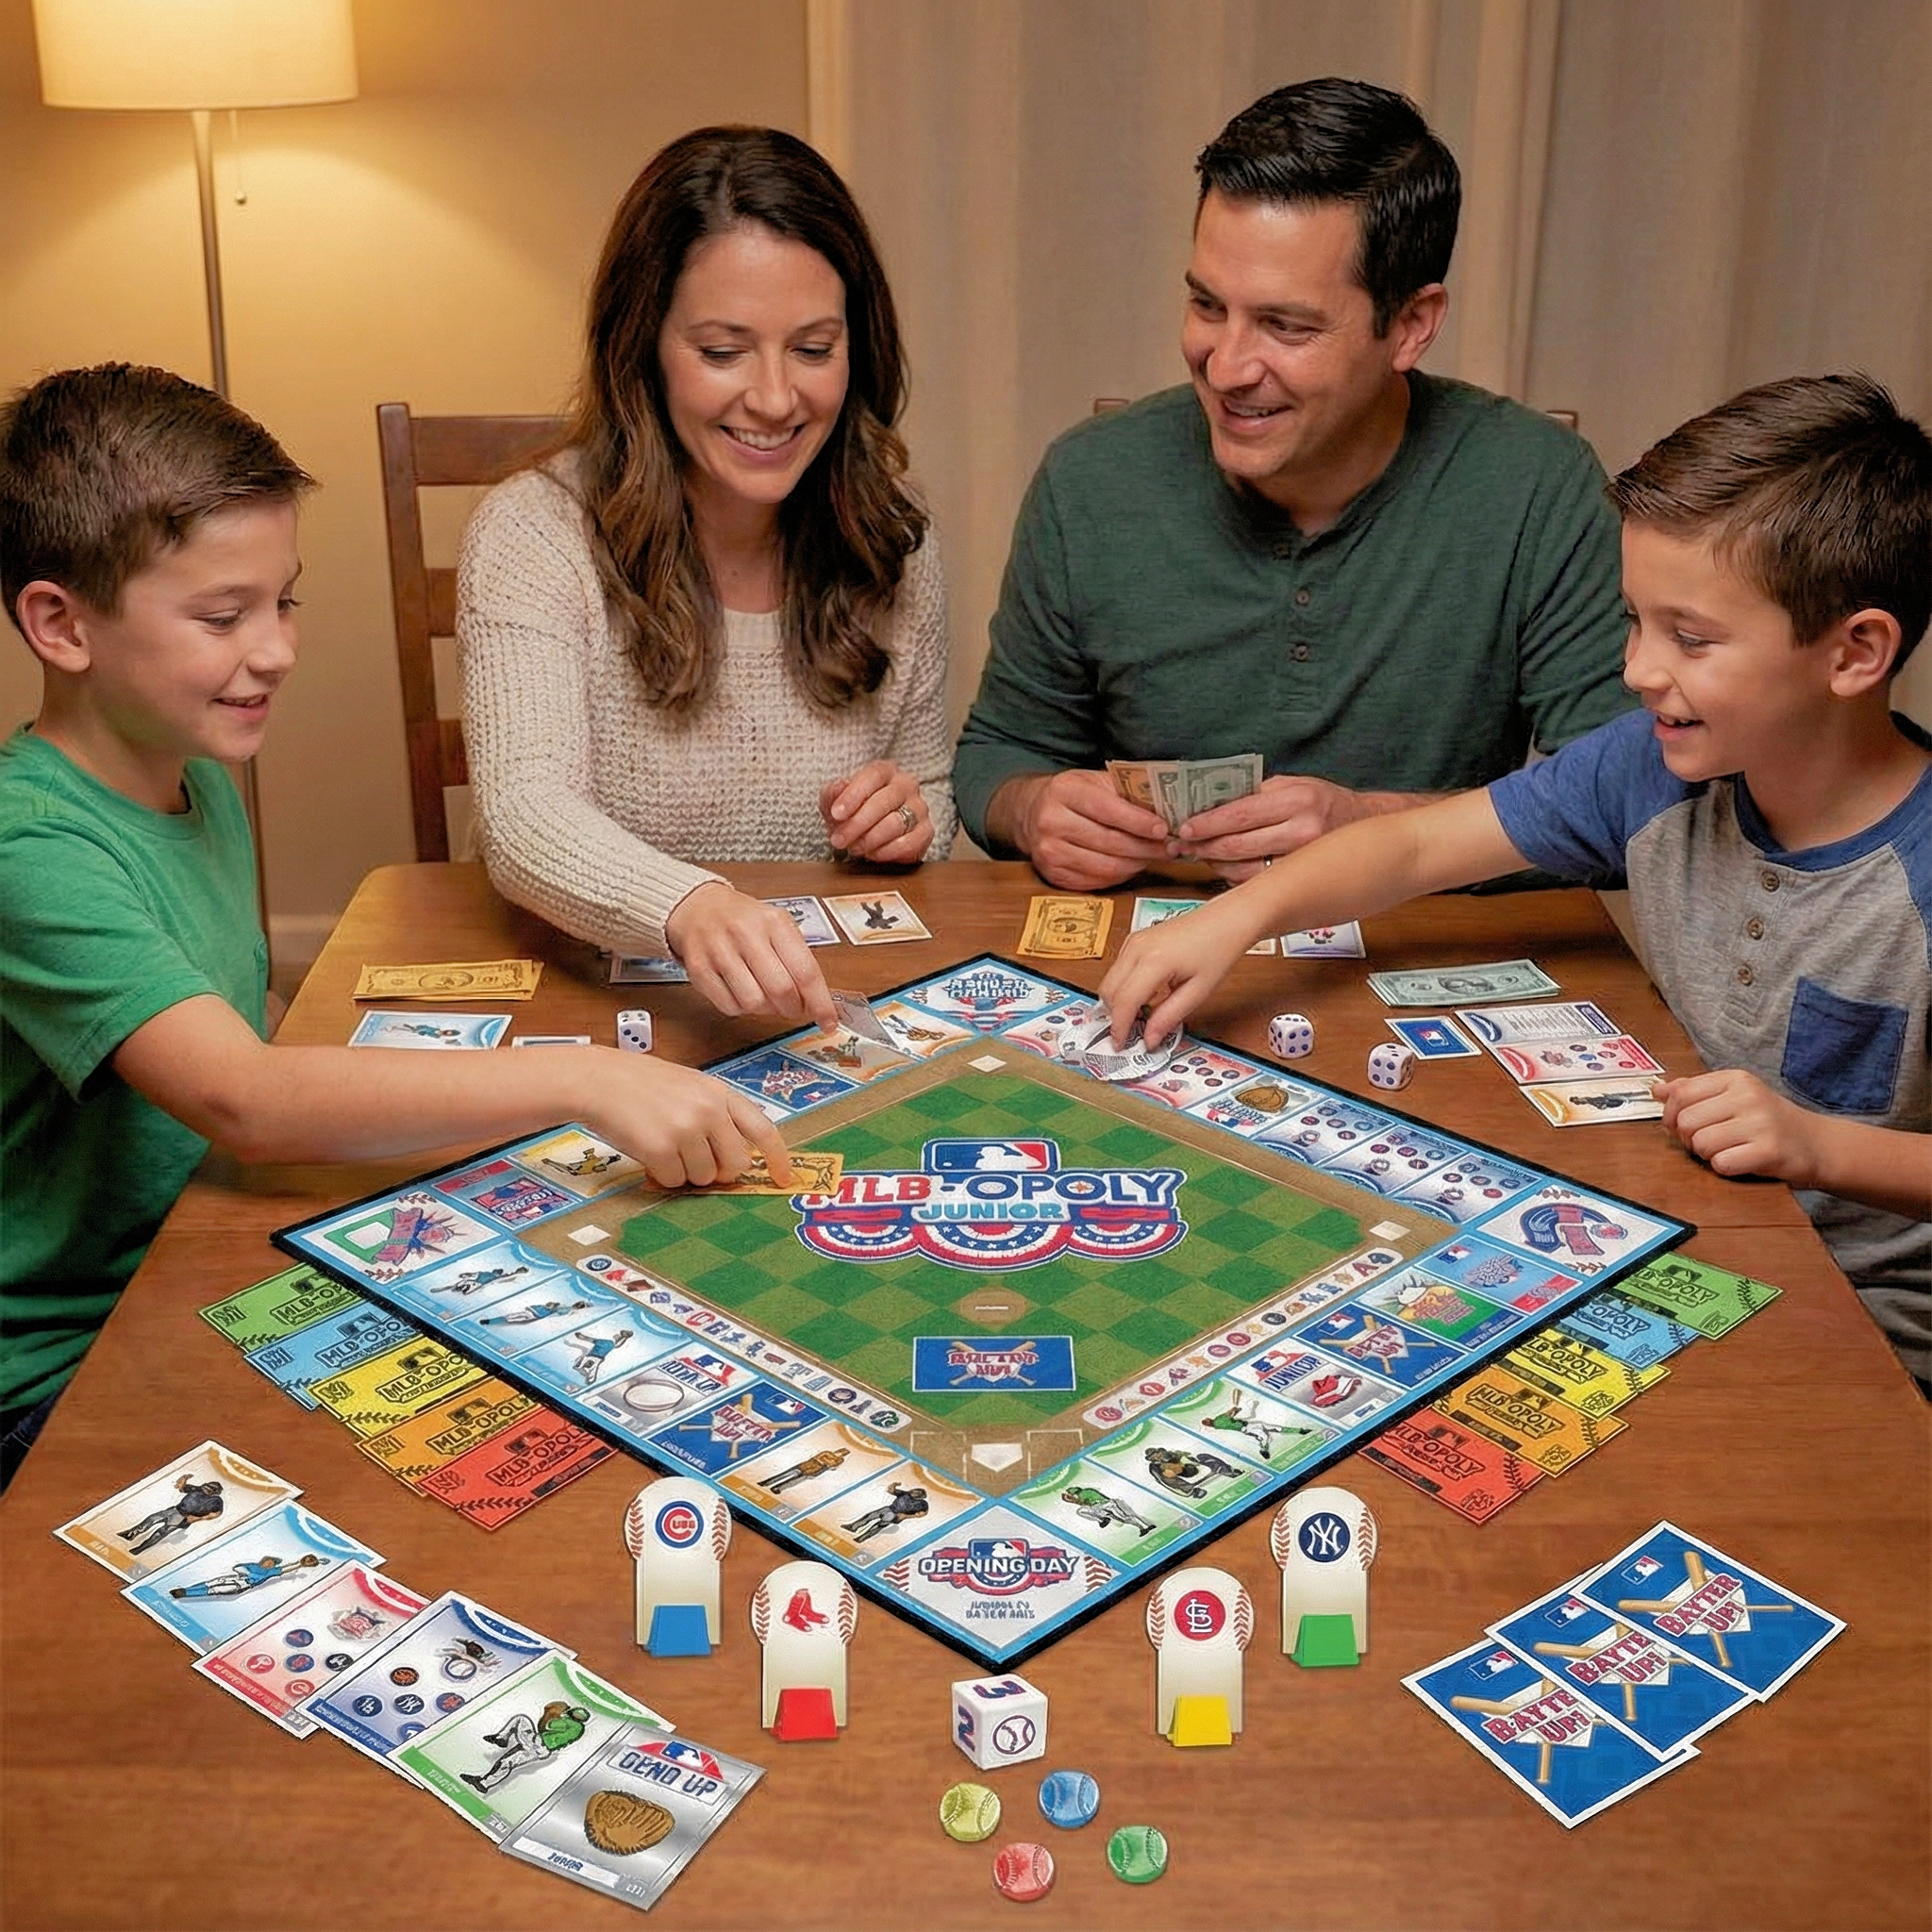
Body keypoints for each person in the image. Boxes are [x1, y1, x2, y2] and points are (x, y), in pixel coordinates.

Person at [0, 364, 791, 1489]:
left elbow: (245, 1013)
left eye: (284, 601)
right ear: (59, 623)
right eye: (223, 615)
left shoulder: (193, 771)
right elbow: (247, 1097)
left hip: (199, 1247)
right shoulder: (27, 845)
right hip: (59, 1373)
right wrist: (582, 1077)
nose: (275, 649)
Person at [1101, 374, 1932, 1390]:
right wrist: (1238, 917)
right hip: (1679, 1237)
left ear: (1855, 652)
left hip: (1863, 1326)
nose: (1637, 670)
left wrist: (1819, 1147)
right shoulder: (1646, 763)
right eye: (1633, 622)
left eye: (1689, 638)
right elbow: (1412, 848)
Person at [954, 76, 1634, 891]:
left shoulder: (1538, 488)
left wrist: (1374, 831)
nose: (1227, 368)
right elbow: (997, 756)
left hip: (1421, 943)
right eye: (1208, 306)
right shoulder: (1089, 480)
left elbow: (1624, 802)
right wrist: (1034, 809)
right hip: (1158, 944)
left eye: (1286, 325)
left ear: (1410, 326)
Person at [459, 126, 955, 1031]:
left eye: (813, 349)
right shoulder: (533, 531)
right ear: (642, 346)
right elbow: (522, 816)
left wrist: (911, 820)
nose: (774, 399)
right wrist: (687, 907)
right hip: (595, 1009)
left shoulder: (895, 534)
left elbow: (932, 788)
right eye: (723, 352)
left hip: (813, 1013)